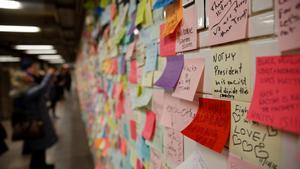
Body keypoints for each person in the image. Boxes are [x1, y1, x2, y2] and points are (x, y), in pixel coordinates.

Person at [10, 58, 58, 169]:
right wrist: (48, 75)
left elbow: (43, 91)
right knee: (38, 149)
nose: (31, 78)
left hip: (37, 120)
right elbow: (41, 89)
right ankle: (38, 166)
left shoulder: (28, 88)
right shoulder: (25, 91)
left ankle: (42, 165)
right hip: (34, 123)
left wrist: (50, 81)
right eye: (33, 68)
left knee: (40, 149)